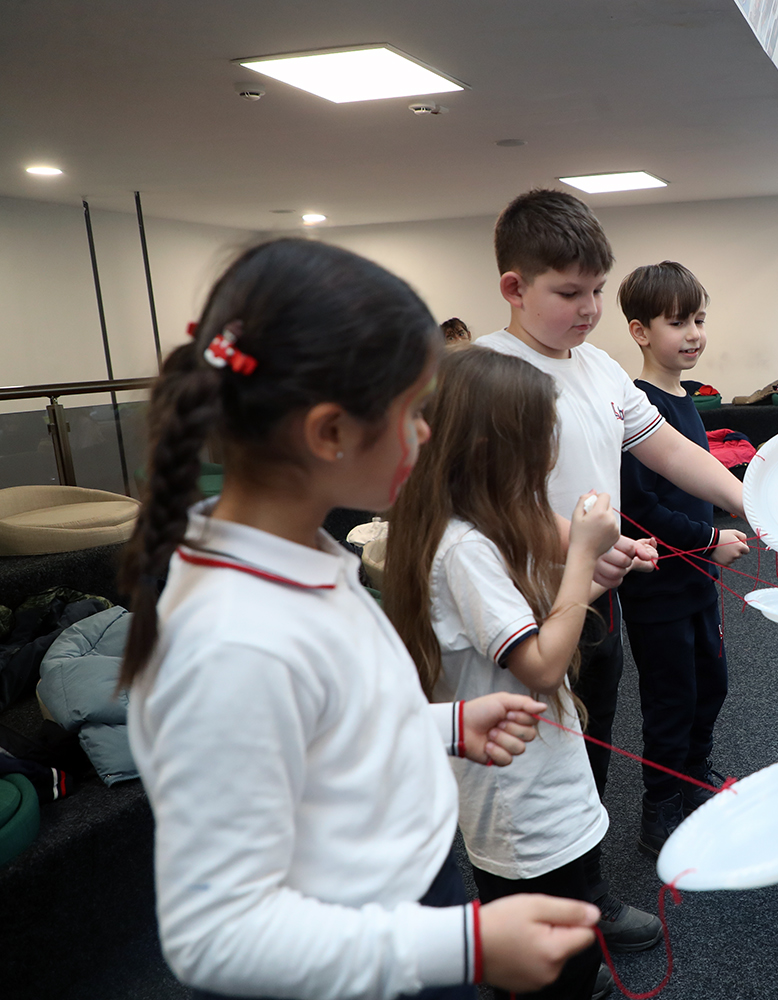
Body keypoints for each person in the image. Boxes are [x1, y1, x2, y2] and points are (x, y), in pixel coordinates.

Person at [120, 239, 602, 999]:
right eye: (413, 411)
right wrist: (464, 942)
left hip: (405, 903)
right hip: (364, 956)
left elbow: (321, 728)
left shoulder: (298, 555)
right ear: (330, 432)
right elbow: (216, 936)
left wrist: (442, 726)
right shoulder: (236, 641)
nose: (425, 434)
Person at [472, 189, 746, 949]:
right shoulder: (487, 373)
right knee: (523, 763)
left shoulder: (597, 369)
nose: (589, 308)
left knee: (587, 743)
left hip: (595, 596)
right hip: (516, 604)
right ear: (515, 289)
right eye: (569, 293)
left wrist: (751, 498)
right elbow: (489, 504)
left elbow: (670, 451)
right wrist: (582, 544)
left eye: (596, 290)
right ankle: (531, 927)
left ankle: (584, 897)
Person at [383, 347, 647, 1000]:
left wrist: (585, 568)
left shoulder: (469, 527)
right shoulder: (465, 548)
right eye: (537, 441)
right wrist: (583, 554)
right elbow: (544, 661)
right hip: (522, 801)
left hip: (532, 787)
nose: (547, 457)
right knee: (550, 958)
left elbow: (524, 619)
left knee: (567, 942)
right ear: (487, 447)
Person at [615, 261, 751, 854]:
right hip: (657, 585)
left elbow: (698, 486)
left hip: (698, 578)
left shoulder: (687, 399)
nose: (694, 333)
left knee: (710, 684)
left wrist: (717, 532)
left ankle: (694, 780)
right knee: (670, 698)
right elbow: (637, 510)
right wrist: (708, 540)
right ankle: (659, 807)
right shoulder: (632, 406)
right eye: (678, 323)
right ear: (641, 332)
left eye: (699, 319)